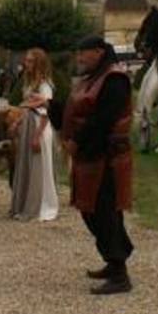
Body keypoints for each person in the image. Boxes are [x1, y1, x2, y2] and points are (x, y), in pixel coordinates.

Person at [60, 35, 134, 295]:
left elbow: (103, 119)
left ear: (99, 52)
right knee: (91, 210)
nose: (80, 57)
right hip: (92, 154)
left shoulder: (114, 79)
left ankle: (119, 272)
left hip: (107, 157)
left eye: (84, 52)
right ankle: (114, 261)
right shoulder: (93, 78)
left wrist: (77, 141)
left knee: (104, 212)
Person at [9, 48, 58, 222]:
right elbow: (26, 108)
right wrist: (17, 123)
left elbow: (45, 113)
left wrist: (37, 136)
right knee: (26, 165)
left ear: (38, 64)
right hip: (28, 125)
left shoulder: (45, 85)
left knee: (38, 166)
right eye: (26, 60)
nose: (26, 63)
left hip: (39, 127)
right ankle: (24, 204)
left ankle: (39, 205)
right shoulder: (29, 83)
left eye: (30, 61)